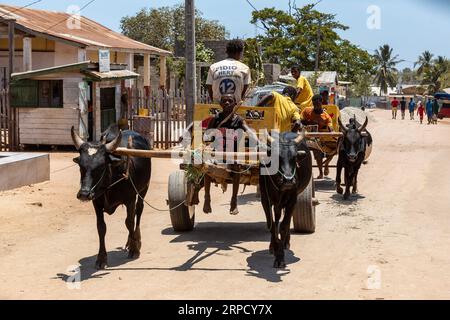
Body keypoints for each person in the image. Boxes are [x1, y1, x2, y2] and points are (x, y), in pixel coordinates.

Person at [203, 94, 260, 216]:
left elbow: (248, 130)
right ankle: (207, 197)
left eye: (230, 101)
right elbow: (206, 136)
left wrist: (255, 138)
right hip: (217, 153)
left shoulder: (238, 120)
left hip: (233, 154)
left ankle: (234, 201)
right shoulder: (216, 118)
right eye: (224, 101)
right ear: (221, 104)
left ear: (235, 104)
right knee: (206, 167)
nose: (227, 103)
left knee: (237, 167)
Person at [206, 39, 251, 104]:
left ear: (227, 51)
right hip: (235, 108)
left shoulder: (214, 67)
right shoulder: (244, 68)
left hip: (217, 108)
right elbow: (245, 88)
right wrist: (239, 102)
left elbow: (209, 86)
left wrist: (215, 102)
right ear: (239, 53)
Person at [301, 94, 334, 179]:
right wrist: (308, 123)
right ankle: (320, 172)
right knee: (317, 152)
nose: (316, 106)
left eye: (318, 104)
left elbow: (331, 127)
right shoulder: (306, 111)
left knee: (333, 150)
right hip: (310, 138)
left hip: (322, 138)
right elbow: (300, 120)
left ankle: (326, 164)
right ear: (312, 103)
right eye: (314, 104)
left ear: (321, 103)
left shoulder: (326, 117)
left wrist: (330, 128)